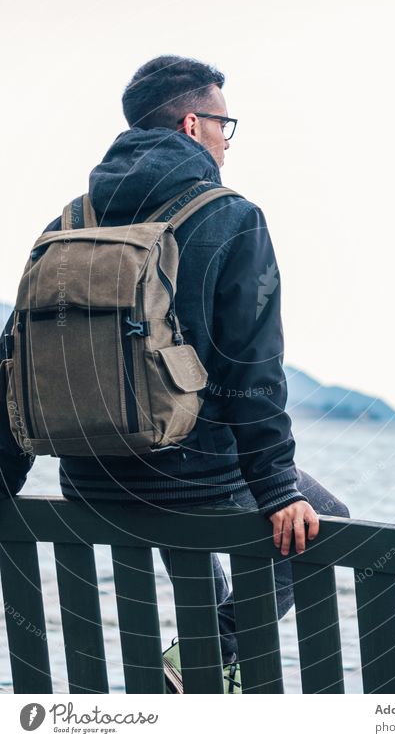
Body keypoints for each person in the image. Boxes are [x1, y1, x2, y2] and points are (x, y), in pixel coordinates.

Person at [0, 55, 349, 688]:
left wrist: (5, 476)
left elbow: (16, 359)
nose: (226, 141)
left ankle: (198, 661)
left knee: (182, 520)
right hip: (193, 486)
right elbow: (253, 370)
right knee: (331, 517)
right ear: (193, 124)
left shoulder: (68, 224)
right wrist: (277, 489)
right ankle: (203, 659)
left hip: (92, 483)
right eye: (224, 124)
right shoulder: (231, 216)